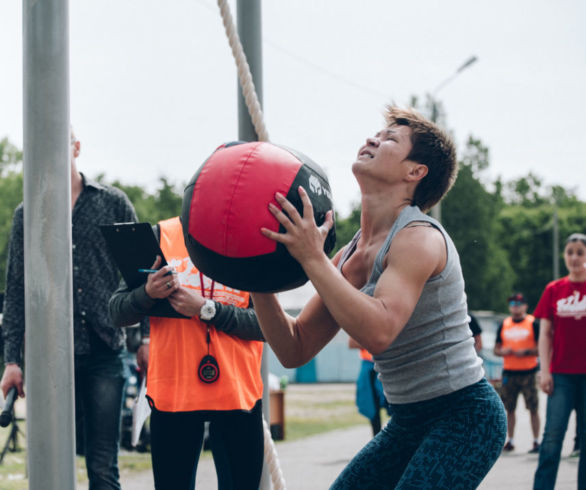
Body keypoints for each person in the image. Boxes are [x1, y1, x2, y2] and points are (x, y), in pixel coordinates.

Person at [250, 105, 507, 488]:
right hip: (407, 419)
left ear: (414, 172)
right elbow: (294, 347)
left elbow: (379, 331)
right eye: (376, 134)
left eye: (390, 139)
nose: (373, 139)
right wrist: (256, 279)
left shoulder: (419, 238)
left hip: (465, 416)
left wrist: (311, 257)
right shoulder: (349, 256)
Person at [0, 129, 147, 489]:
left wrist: (144, 338)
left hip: (105, 349)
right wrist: (11, 361)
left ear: (76, 148)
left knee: (101, 464)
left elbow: (142, 274)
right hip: (47, 354)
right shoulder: (27, 213)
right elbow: (15, 290)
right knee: (47, 460)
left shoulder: (112, 202)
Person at [108, 216, 266, 490]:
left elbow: (266, 327)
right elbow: (116, 311)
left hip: (238, 393)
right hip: (174, 394)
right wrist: (147, 293)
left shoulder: (250, 238)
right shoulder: (161, 236)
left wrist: (208, 309)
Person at [533, 232, 586, 490]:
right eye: (570, 252)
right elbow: (545, 333)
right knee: (552, 438)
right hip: (561, 375)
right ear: (564, 256)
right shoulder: (554, 290)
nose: (574, 257)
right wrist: (545, 371)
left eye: (580, 252)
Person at [493, 292, 541, 453]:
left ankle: (536, 441)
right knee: (509, 409)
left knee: (533, 408)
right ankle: (510, 440)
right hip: (510, 373)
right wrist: (502, 351)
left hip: (528, 372)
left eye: (519, 304)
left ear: (525, 306)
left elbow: (543, 348)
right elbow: (496, 349)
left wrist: (528, 351)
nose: (515, 307)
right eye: (513, 304)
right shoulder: (505, 324)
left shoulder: (533, 323)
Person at [348, 337, 391, 436]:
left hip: (388, 362)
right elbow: (352, 343)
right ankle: (376, 437)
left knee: (394, 404)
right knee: (371, 404)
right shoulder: (361, 323)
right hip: (369, 365)